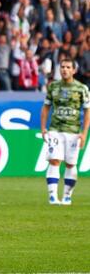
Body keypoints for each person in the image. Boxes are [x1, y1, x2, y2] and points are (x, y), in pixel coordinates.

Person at [40, 58, 89, 205]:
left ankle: (67, 195)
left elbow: (87, 112)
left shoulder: (82, 89)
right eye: (62, 67)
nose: (64, 70)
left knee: (70, 164)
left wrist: (84, 133)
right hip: (56, 130)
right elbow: (46, 108)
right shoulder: (53, 87)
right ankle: (53, 196)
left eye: (68, 67)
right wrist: (43, 128)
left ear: (74, 70)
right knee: (54, 161)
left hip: (74, 131)